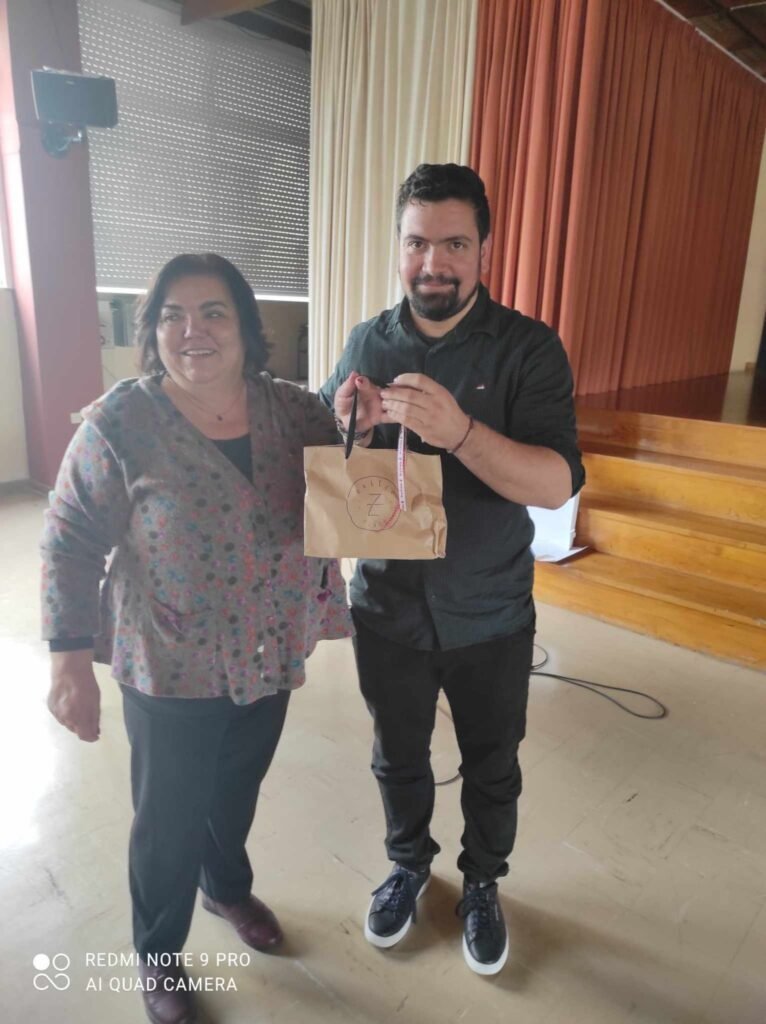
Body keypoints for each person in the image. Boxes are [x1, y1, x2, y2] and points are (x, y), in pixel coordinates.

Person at [42, 253, 352, 1024]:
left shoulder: (295, 412)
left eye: (213, 312)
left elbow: (349, 486)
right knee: (169, 817)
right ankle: (158, 954)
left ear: (246, 325)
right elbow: (70, 539)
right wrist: (69, 663)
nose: (193, 331)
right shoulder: (121, 423)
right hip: (169, 661)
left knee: (234, 791)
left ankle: (226, 889)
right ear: (152, 332)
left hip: (270, 650)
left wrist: (363, 419)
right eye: (173, 316)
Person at [319, 164, 585, 976]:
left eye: (454, 244)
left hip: (491, 613)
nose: (432, 263)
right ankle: (408, 865)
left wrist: (462, 432)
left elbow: (556, 483)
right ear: (398, 247)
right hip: (386, 607)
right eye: (416, 243)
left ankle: (482, 881)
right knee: (397, 755)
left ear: (484, 250)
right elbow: (328, 450)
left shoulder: (529, 348)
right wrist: (346, 422)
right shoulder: (368, 341)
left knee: (493, 765)